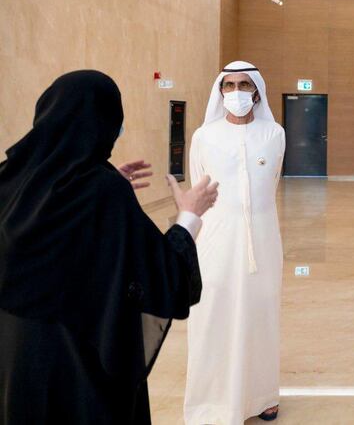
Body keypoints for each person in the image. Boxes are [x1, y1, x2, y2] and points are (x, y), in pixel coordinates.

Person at [0, 70, 219, 424]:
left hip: (15, 369)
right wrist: (189, 216)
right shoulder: (104, 193)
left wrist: (105, 181)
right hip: (78, 372)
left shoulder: (10, 178)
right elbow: (163, 276)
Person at [184, 60, 285, 424]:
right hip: (216, 241)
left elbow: (270, 184)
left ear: (256, 91)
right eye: (230, 85)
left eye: (245, 84)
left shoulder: (274, 133)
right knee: (214, 314)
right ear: (220, 91)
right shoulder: (204, 136)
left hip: (263, 239)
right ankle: (213, 402)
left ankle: (262, 397)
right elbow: (199, 186)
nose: (237, 92)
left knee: (261, 314)